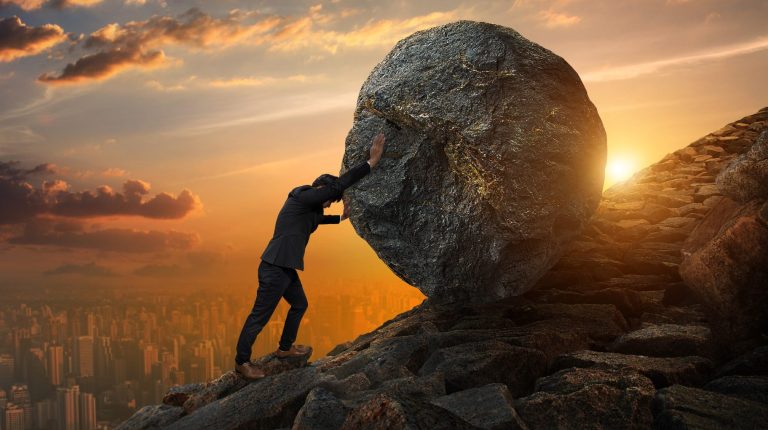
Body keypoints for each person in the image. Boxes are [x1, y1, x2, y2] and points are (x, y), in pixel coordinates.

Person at [234, 132, 386, 380]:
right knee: (259, 317)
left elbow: (319, 219)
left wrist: (340, 217)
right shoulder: (302, 195)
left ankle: (284, 349)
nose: (329, 204)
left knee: (300, 304)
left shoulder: (309, 210)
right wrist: (371, 162)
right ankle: (242, 362)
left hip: (284, 268)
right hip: (274, 267)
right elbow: (336, 187)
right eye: (329, 200)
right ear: (322, 190)